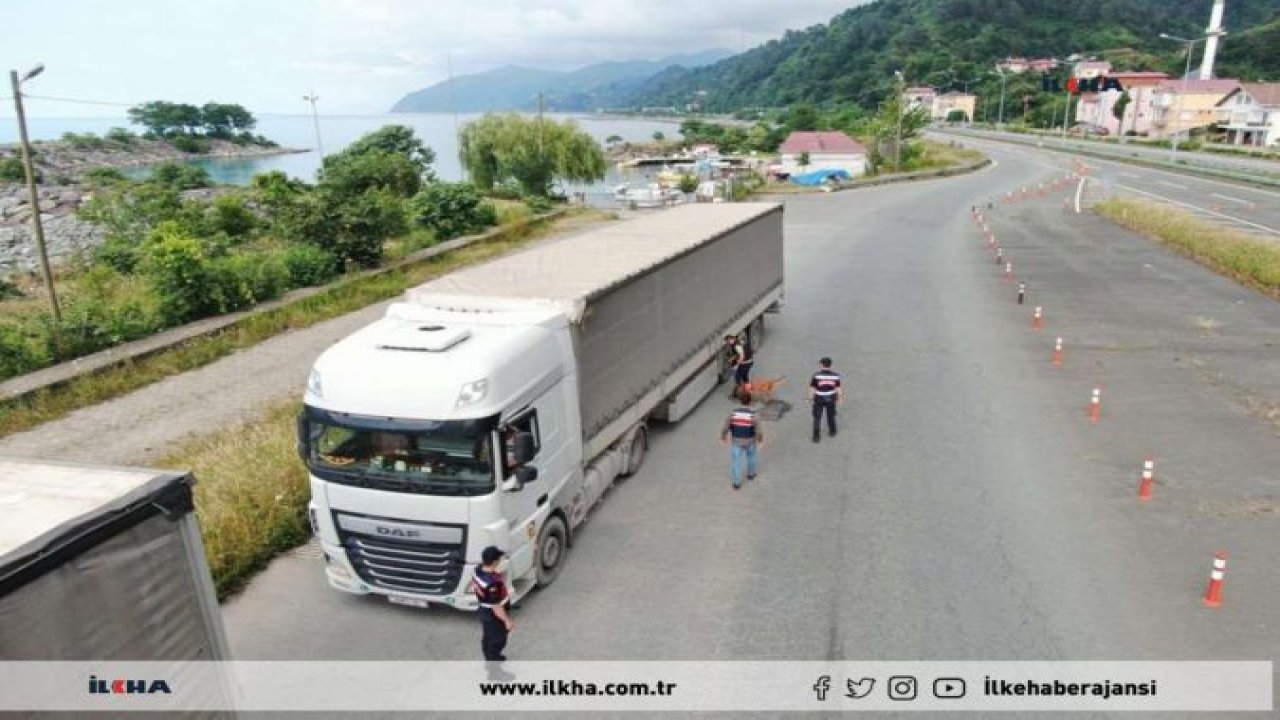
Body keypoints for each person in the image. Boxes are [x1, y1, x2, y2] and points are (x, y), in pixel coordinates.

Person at [472, 546, 514, 663]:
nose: (500, 560)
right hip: (493, 615)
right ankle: (494, 671)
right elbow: (496, 607)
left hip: (484, 611)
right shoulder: (491, 585)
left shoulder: (478, 570)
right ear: (495, 562)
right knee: (498, 640)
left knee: (488, 638)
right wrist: (507, 621)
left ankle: (490, 656)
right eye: (499, 558)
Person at [720, 388, 763, 489]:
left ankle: (736, 483)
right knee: (751, 456)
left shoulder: (733, 414)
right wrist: (760, 440)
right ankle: (751, 474)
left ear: (740, 400)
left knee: (736, 461)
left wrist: (723, 437)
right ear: (750, 401)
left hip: (736, 441)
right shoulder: (753, 415)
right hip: (750, 440)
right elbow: (759, 430)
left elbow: (725, 427)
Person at [809, 357, 843, 443]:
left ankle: (816, 436)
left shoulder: (816, 375)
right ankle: (832, 431)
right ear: (830, 365)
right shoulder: (836, 376)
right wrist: (840, 398)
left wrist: (810, 397)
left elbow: (812, 388)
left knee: (817, 417)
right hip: (831, 398)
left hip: (819, 398)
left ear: (821, 365)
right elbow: (838, 388)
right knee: (831, 416)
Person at [725, 334, 754, 399]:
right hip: (749, 362)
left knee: (738, 378)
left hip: (745, 363)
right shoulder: (739, 342)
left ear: (731, 339)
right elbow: (739, 353)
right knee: (745, 377)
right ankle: (749, 391)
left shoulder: (736, 346)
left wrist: (737, 365)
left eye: (728, 341)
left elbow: (742, 355)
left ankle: (739, 394)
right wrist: (732, 358)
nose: (728, 343)